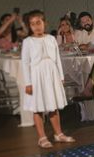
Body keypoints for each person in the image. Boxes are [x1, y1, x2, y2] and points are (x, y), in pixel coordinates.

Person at [21, 10, 74, 149]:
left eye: (38, 23)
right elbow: (25, 63)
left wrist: (61, 77)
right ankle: (42, 137)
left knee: (53, 105)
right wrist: (28, 83)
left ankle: (58, 133)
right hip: (36, 76)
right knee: (37, 107)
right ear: (29, 26)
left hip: (51, 73)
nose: (36, 26)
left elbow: (57, 58)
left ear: (44, 23)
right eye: (32, 24)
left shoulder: (51, 39)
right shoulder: (28, 42)